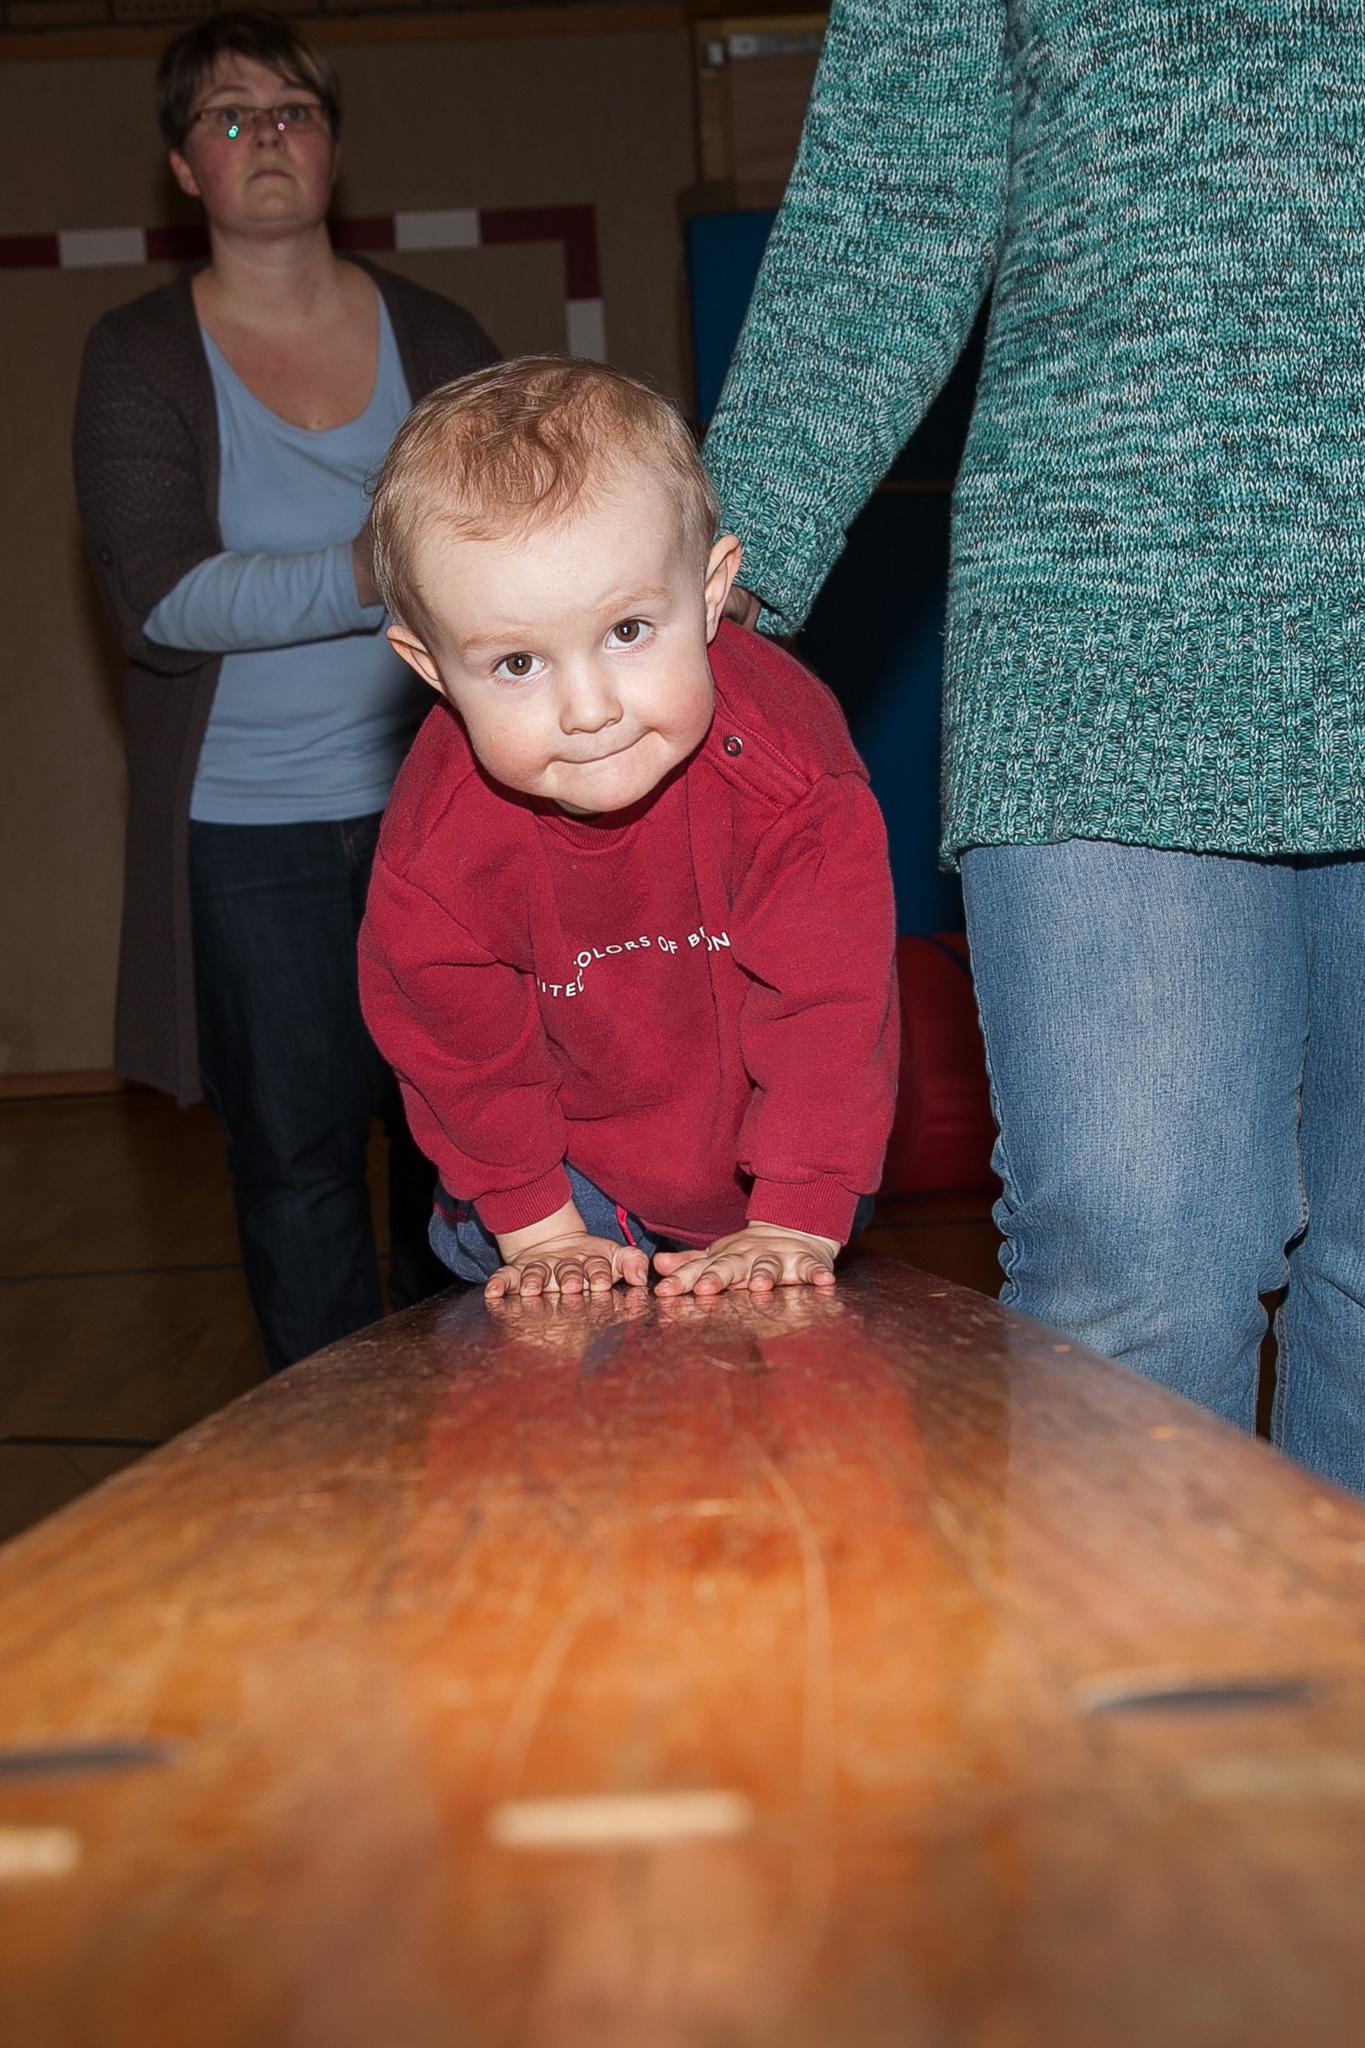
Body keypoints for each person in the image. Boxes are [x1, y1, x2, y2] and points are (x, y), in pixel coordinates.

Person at [699, 0, 1365, 1487]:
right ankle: (1127, 1659)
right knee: (1141, 1273)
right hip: (1098, 613)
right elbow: (890, 199)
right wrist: (691, 602)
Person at [73, 9, 499, 1372]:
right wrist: (374, 565)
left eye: (294, 111)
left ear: (333, 148)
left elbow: (506, 539)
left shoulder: (439, 334)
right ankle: (335, 1449)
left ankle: (471, 1419)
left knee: (463, 1148)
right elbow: (159, 602)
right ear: (183, 167)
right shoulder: (137, 354)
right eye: (229, 115)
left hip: (445, 811)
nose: (266, 135)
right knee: (296, 1166)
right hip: (246, 836)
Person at [356, 358, 898, 1300]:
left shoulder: (791, 778)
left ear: (710, 592)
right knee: (569, 1342)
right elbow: (461, 1055)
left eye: (627, 632)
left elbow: (829, 1008)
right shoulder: (438, 852)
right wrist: (540, 1232)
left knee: (782, 1343)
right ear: (432, 668)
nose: (589, 709)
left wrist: (791, 1217)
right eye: (518, 663)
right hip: (554, 1170)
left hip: (772, 1148)